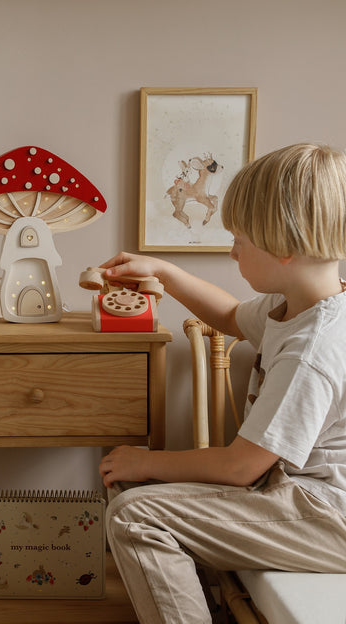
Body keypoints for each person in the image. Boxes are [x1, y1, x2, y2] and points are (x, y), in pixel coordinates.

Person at [98, 143, 346, 624]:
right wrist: (164, 272)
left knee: (134, 515)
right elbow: (231, 316)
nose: (231, 252)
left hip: (327, 518)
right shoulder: (294, 307)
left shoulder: (313, 347)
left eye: (239, 240)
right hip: (299, 496)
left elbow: (239, 467)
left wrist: (149, 460)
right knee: (127, 488)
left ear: (286, 248)